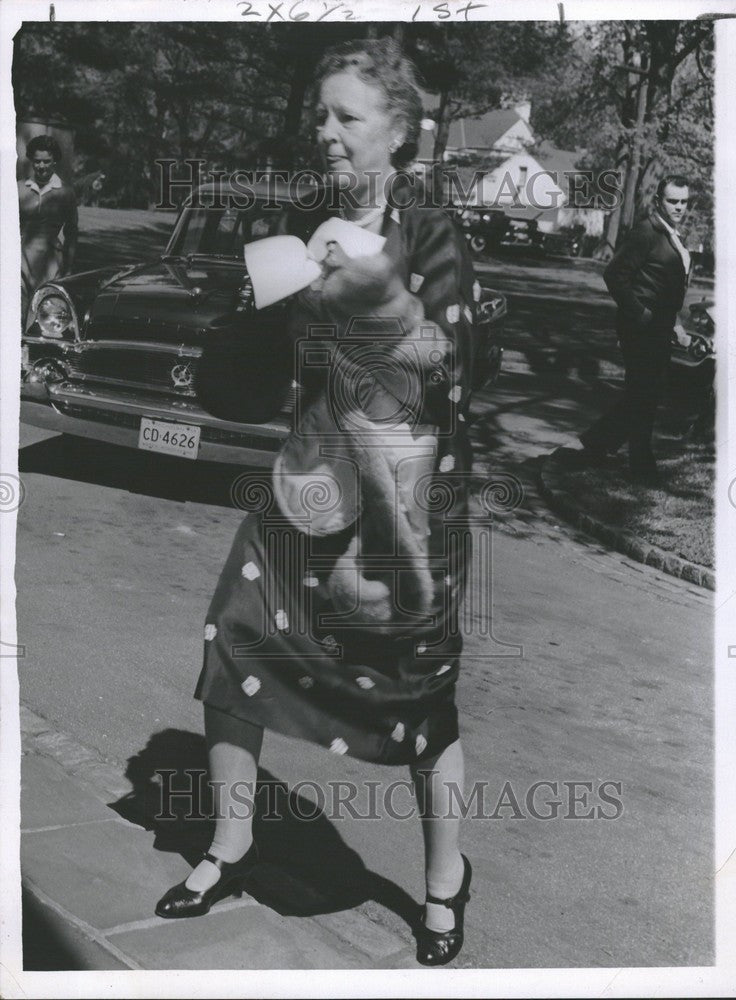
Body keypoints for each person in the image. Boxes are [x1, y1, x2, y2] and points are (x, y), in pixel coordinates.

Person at [155, 38, 478, 967]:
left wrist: (370, 307)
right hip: (304, 483)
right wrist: (256, 310)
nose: (326, 132)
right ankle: (229, 846)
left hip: (399, 508)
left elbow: (449, 372)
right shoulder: (307, 213)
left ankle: (442, 880)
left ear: (399, 132)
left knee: (419, 704)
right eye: (322, 116)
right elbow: (258, 359)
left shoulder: (430, 231)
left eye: (347, 117)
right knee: (233, 646)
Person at [579, 175, 692, 483]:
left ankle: (597, 443)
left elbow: (667, 290)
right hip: (640, 328)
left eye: (683, 201)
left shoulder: (671, 234)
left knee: (644, 393)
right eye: (673, 201)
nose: (679, 207)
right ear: (659, 200)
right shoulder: (646, 232)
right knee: (644, 395)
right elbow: (614, 275)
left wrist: (676, 326)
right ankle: (642, 468)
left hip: (659, 326)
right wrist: (641, 315)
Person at [18, 135, 78, 324]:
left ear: (54, 161)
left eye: (46, 161)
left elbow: (72, 233)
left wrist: (68, 269)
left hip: (51, 263)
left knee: (45, 317)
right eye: (37, 161)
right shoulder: (19, 189)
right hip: (19, 261)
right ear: (31, 161)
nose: (41, 166)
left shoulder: (65, 193)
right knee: (15, 314)